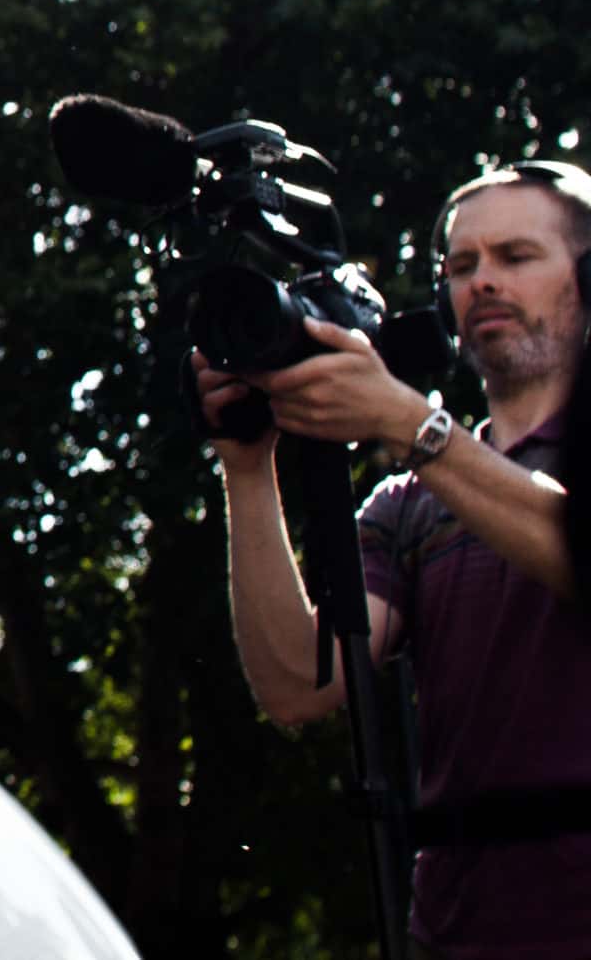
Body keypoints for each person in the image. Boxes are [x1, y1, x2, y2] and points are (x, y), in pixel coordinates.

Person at [200, 161, 591, 956]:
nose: (481, 282)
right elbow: (295, 688)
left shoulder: (427, 453)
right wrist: (247, 467)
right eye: (461, 265)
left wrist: (416, 427)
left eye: (516, 257)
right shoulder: (411, 502)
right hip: (457, 932)